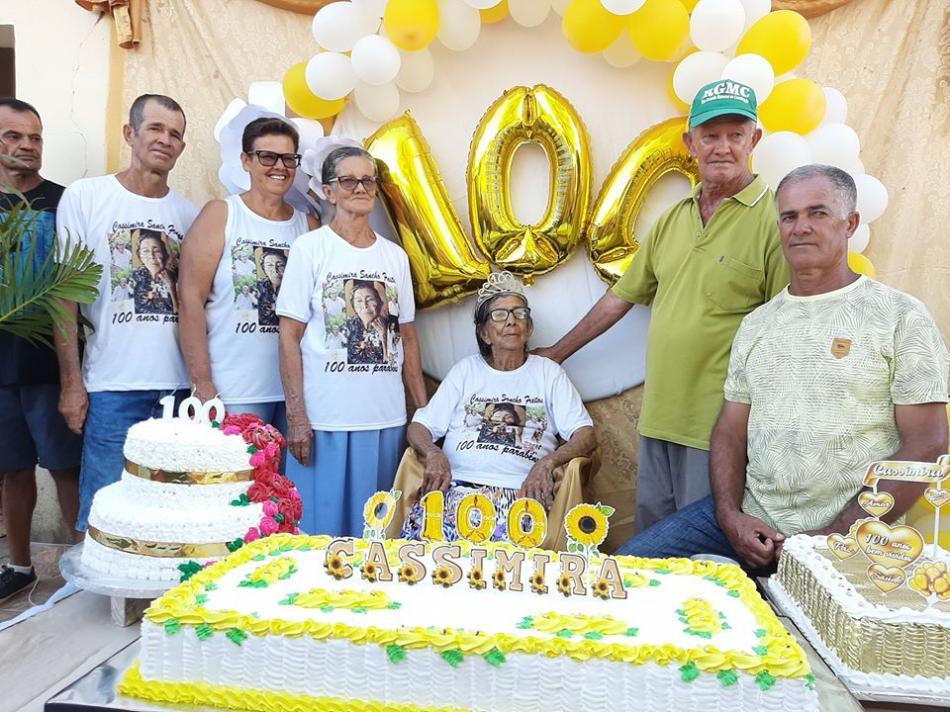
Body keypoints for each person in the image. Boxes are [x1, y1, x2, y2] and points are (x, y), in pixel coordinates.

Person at [616, 165, 949, 570]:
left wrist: (836, 534)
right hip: (751, 520)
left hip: (847, 536)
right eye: (790, 216)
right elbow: (730, 429)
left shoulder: (899, 316)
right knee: (628, 570)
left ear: (851, 223)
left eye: (818, 213)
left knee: (789, 630)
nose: (801, 227)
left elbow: (927, 442)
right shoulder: (759, 323)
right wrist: (729, 515)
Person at [534, 80, 789, 534]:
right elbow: (620, 297)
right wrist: (557, 352)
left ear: (755, 139)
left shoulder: (774, 219)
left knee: (706, 553)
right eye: (710, 136)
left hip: (721, 432)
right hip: (659, 422)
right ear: (691, 144)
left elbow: (787, 335)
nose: (723, 147)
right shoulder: (674, 219)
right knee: (654, 547)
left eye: (735, 134)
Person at [54, 94, 199, 532]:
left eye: (175, 133)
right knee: (104, 508)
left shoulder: (189, 214)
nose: (165, 140)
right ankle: (95, 597)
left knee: (169, 514)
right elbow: (65, 298)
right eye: (155, 128)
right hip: (112, 386)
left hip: (177, 391)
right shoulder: (87, 197)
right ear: (130, 133)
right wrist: (72, 385)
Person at [277, 146, 427, 537]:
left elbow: (407, 337)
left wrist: (424, 414)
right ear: (328, 191)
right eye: (348, 180)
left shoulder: (395, 258)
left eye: (367, 180)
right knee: (316, 537)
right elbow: (289, 336)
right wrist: (296, 416)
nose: (359, 187)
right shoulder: (309, 249)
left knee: (374, 538)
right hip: (325, 420)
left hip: (385, 420)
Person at [401, 272, 596, 542]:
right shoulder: (466, 371)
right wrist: (433, 454)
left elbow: (586, 434)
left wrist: (547, 463)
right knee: (426, 568)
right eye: (500, 315)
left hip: (521, 497)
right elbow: (420, 427)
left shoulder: (548, 373)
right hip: (455, 492)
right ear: (484, 333)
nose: (512, 321)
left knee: (509, 576)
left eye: (520, 313)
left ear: (528, 328)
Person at [179, 117, 316, 425]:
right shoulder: (222, 215)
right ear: (245, 160)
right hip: (233, 391)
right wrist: (201, 382)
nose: (279, 166)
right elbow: (190, 300)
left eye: (288, 158)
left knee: (288, 475)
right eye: (267, 156)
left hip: (295, 395)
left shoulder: (306, 226)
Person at [0, 97, 83, 601]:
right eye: (14, 137)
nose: (27, 147)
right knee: (11, 469)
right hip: (0, 366)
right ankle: (20, 563)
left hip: (51, 364)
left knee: (64, 466)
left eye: (35, 138)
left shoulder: (65, 201)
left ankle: (78, 564)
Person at [345, 279, 399, 365]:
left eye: (369, 299)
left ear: (379, 303)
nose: (364, 305)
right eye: (359, 301)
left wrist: (384, 337)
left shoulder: (391, 325)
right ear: (354, 306)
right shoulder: (348, 326)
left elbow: (391, 362)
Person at [131, 229, 178, 314]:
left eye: (156, 251)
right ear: (140, 256)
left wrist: (171, 288)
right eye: (146, 251)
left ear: (163, 253)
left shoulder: (175, 277)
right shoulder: (134, 276)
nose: (151, 256)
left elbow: (181, 313)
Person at [256, 248, 288, 327]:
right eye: (269, 265)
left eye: (280, 265)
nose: (275, 270)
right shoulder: (259, 286)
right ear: (264, 269)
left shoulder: (294, 287)